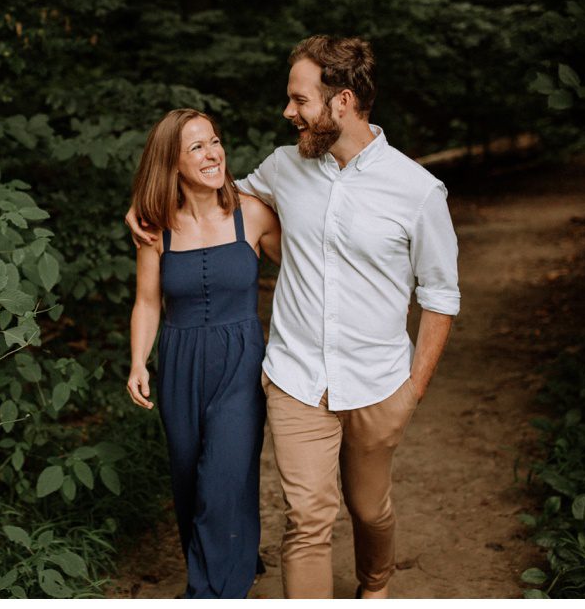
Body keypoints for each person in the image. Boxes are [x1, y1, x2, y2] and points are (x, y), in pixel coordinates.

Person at [127, 36, 459, 599]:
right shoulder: (284, 167)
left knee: (369, 509)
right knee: (307, 520)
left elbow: (440, 296)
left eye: (300, 100)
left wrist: (414, 389)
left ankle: (375, 582)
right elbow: (211, 199)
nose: (288, 111)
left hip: (378, 380)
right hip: (296, 377)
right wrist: (145, 205)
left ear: (342, 101)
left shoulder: (417, 191)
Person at [125, 108, 281, 599]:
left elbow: (307, 269)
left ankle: (211, 593)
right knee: (191, 482)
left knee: (223, 478)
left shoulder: (253, 214)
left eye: (214, 141)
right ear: (171, 162)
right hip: (180, 362)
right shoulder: (155, 228)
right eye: (197, 147)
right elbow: (147, 301)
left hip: (241, 363)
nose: (213, 154)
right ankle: (236, 559)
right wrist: (138, 362)